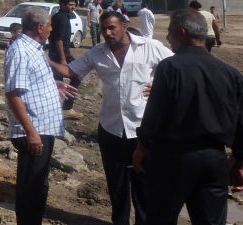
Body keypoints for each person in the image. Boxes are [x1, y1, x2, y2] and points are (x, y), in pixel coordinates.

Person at [49, 11, 172, 225]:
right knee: (117, 187)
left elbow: (177, 68)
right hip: (111, 129)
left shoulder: (149, 47)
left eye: (112, 28)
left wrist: (162, 87)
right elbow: (70, 71)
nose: (107, 33)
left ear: (124, 26)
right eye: (104, 28)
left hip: (142, 130)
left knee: (144, 186)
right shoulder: (97, 53)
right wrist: (45, 59)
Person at [133, 8, 243, 225]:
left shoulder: (169, 68)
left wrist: (142, 147)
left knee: (161, 218)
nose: (167, 37)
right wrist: (240, 160)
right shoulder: (230, 73)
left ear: (182, 32)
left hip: (173, 158)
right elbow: (241, 121)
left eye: (170, 32)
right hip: (214, 159)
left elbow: (155, 114)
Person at [5, 9, 77, 225]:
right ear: (40, 28)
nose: (52, 30)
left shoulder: (34, 49)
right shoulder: (20, 51)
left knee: (38, 185)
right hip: (33, 130)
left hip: (43, 128)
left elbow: (30, 81)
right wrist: (31, 132)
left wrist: (55, 84)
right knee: (31, 188)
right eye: (50, 26)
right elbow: (13, 93)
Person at [49, 0, 82, 119]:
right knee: (76, 75)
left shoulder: (61, 16)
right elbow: (58, 40)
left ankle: (60, 108)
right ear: (62, 5)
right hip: (60, 55)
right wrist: (63, 59)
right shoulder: (62, 18)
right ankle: (66, 108)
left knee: (58, 81)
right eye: (70, 4)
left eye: (74, 4)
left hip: (58, 54)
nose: (73, 7)